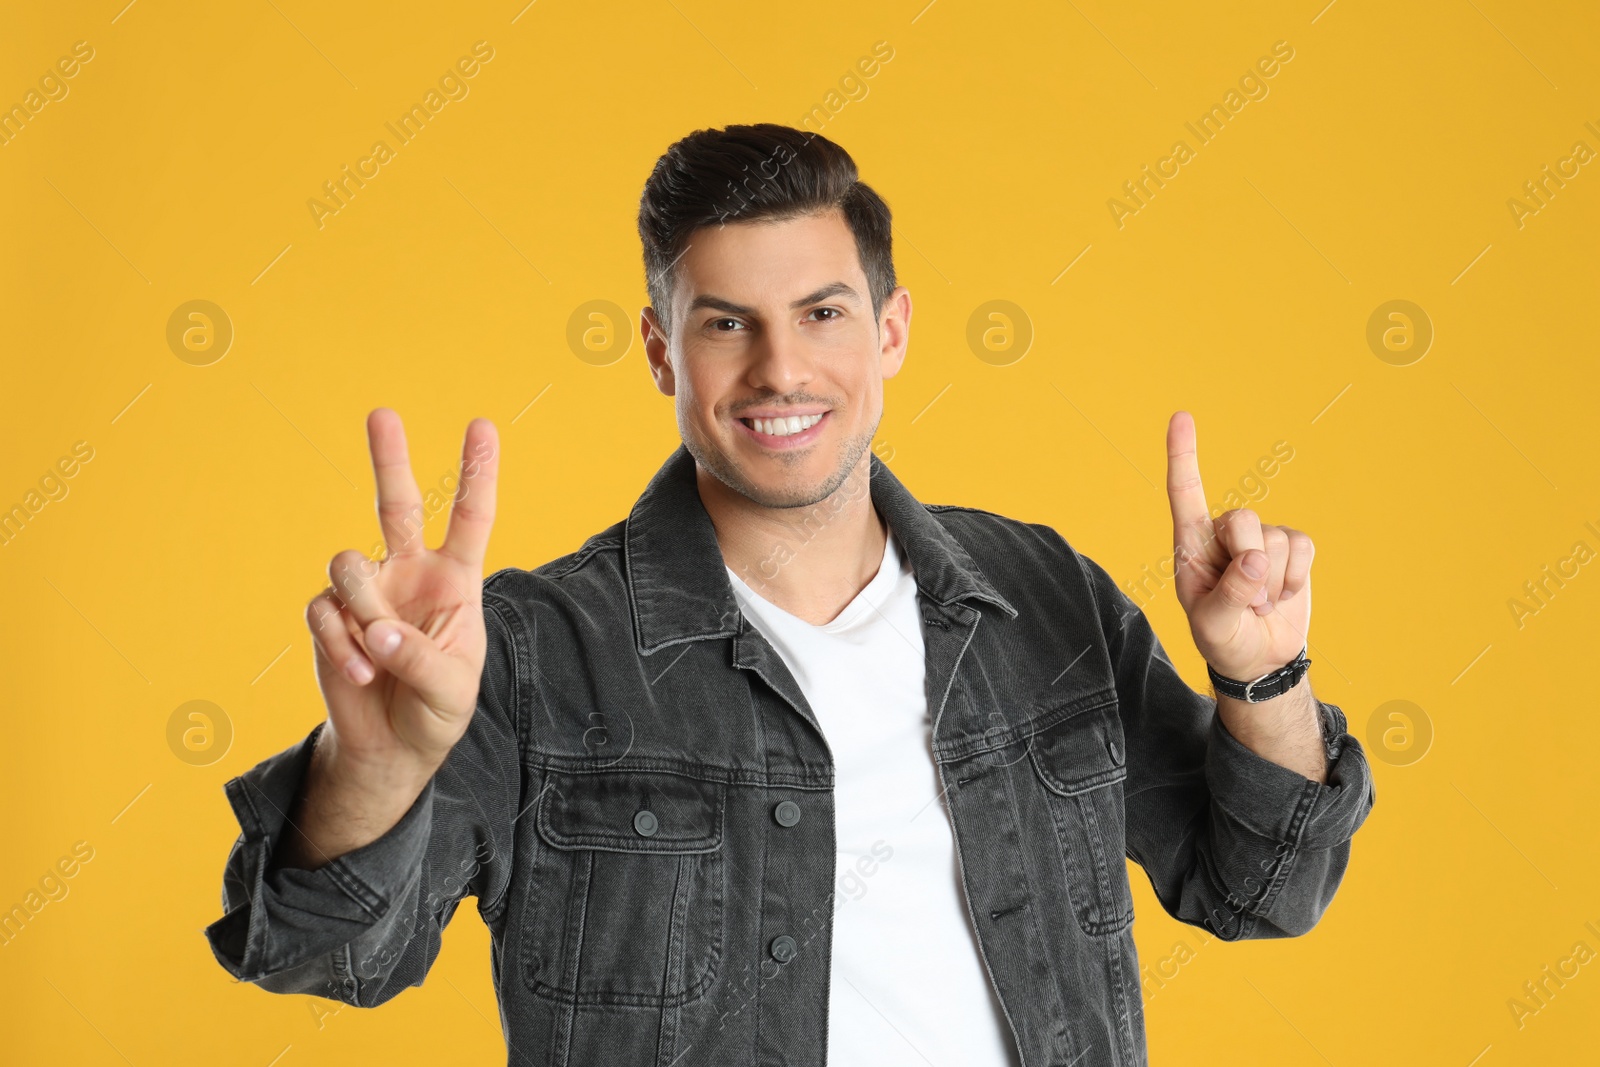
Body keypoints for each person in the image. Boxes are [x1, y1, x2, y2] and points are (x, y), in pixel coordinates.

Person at [205, 123, 1374, 1067]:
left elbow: (1260, 886)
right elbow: (323, 956)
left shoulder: (1043, 595)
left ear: (891, 329)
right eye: (726, 325)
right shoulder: (526, 650)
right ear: (663, 353)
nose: (780, 369)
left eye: (822, 312)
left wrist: (1260, 677)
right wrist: (373, 767)